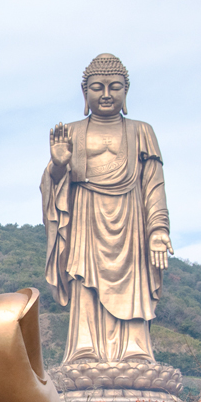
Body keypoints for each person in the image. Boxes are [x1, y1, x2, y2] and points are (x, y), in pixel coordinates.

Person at [41, 53, 173, 365]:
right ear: (85, 93)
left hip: (131, 220)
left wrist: (158, 231)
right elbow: (53, 183)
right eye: (97, 87)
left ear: (125, 92)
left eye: (114, 87)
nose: (106, 95)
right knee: (84, 281)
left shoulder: (142, 131)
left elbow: (154, 186)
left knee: (133, 284)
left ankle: (135, 350)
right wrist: (59, 165)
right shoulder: (71, 132)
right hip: (85, 216)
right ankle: (84, 349)